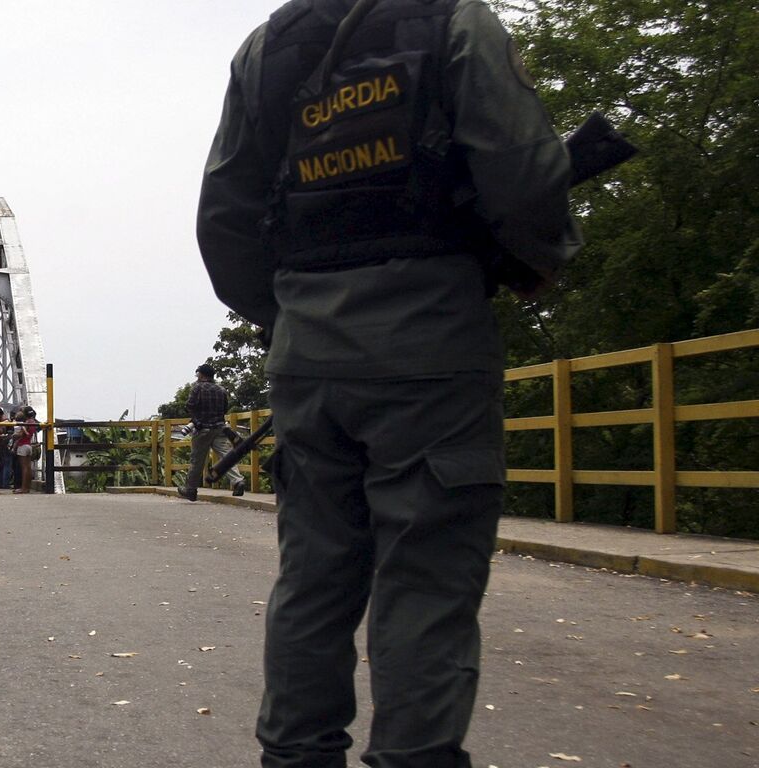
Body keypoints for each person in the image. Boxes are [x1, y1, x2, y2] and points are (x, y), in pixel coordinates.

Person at [196, 1, 581, 766]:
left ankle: (295, 756)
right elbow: (525, 172)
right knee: (426, 578)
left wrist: (293, 312)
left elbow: (224, 221)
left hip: (309, 359)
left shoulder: (266, 47)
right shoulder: (455, 22)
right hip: (431, 344)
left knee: (314, 575)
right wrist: (538, 257)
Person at [179, 363, 249, 500]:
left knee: (197, 460)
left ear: (202, 374)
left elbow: (189, 406)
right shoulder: (221, 390)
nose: (197, 376)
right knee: (226, 456)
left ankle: (191, 490)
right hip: (220, 428)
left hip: (202, 429)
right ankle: (238, 481)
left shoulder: (197, 388)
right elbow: (224, 409)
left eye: (198, 373)